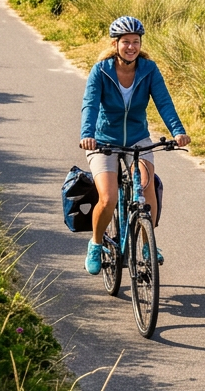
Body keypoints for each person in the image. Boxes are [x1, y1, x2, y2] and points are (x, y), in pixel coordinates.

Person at [79, 17, 188, 276]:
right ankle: (96, 244)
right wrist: (87, 134)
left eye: (135, 42)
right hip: (103, 140)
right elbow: (90, 105)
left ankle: (149, 245)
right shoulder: (101, 70)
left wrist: (178, 131)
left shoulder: (149, 70)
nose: (131, 47)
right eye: (125, 42)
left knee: (146, 185)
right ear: (115, 44)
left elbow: (164, 102)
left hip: (138, 138)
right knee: (107, 197)